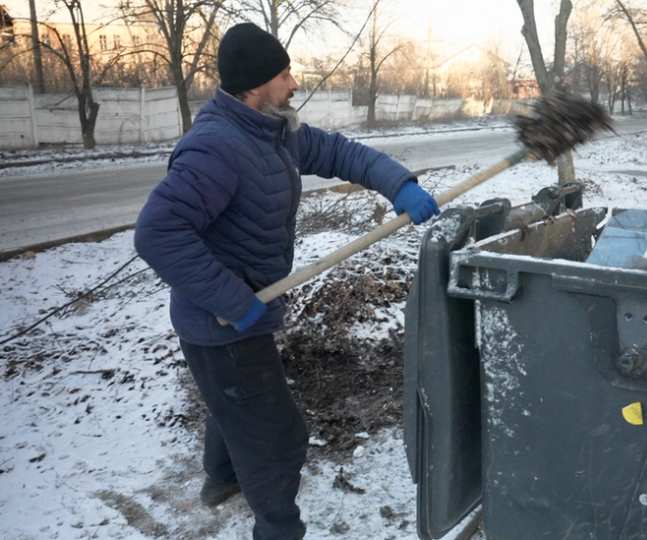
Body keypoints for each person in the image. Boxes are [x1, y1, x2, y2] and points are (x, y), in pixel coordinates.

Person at [134, 22, 440, 540]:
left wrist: (398, 185)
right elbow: (158, 234)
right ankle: (277, 529)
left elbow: (341, 153)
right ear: (255, 85)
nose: (294, 83)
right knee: (277, 437)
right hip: (222, 320)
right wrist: (232, 299)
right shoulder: (216, 147)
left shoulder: (270, 131)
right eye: (283, 74)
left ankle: (221, 478)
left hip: (241, 310)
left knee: (236, 403)